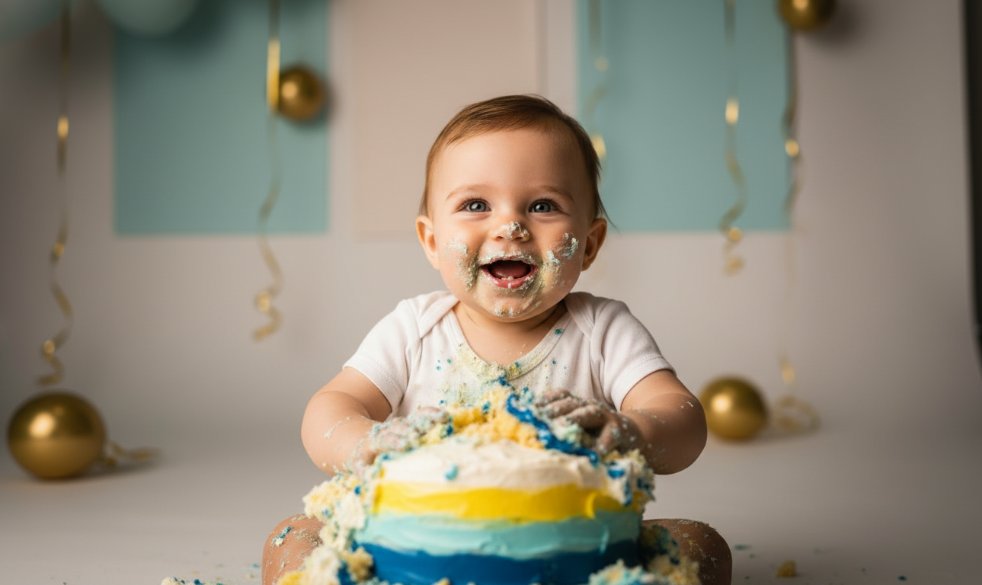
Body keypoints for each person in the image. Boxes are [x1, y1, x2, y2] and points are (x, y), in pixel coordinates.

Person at [262, 95, 731, 585]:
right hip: (409, 549)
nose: (510, 227)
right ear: (431, 240)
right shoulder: (413, 329)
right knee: (294, 535)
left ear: (589, 243)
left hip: (571, 553)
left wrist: (630, 431)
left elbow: (683, 420)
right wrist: (366, 442)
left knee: (698, 541)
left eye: (543, 206)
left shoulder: (603, 330)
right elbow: (330, 408)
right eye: (476, 205)